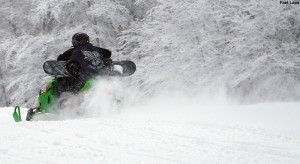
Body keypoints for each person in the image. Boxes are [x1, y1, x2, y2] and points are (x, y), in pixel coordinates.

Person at [56, 32, 113, 97]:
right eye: (81, 40)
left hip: (83, 78)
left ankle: (66, 103)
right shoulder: (97, 50)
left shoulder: (74, 50)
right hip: (101, 76)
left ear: (74, 42)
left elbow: (60, 59)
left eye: (84, 40)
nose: (83, 42)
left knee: (62, 84)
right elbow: (108, 53)